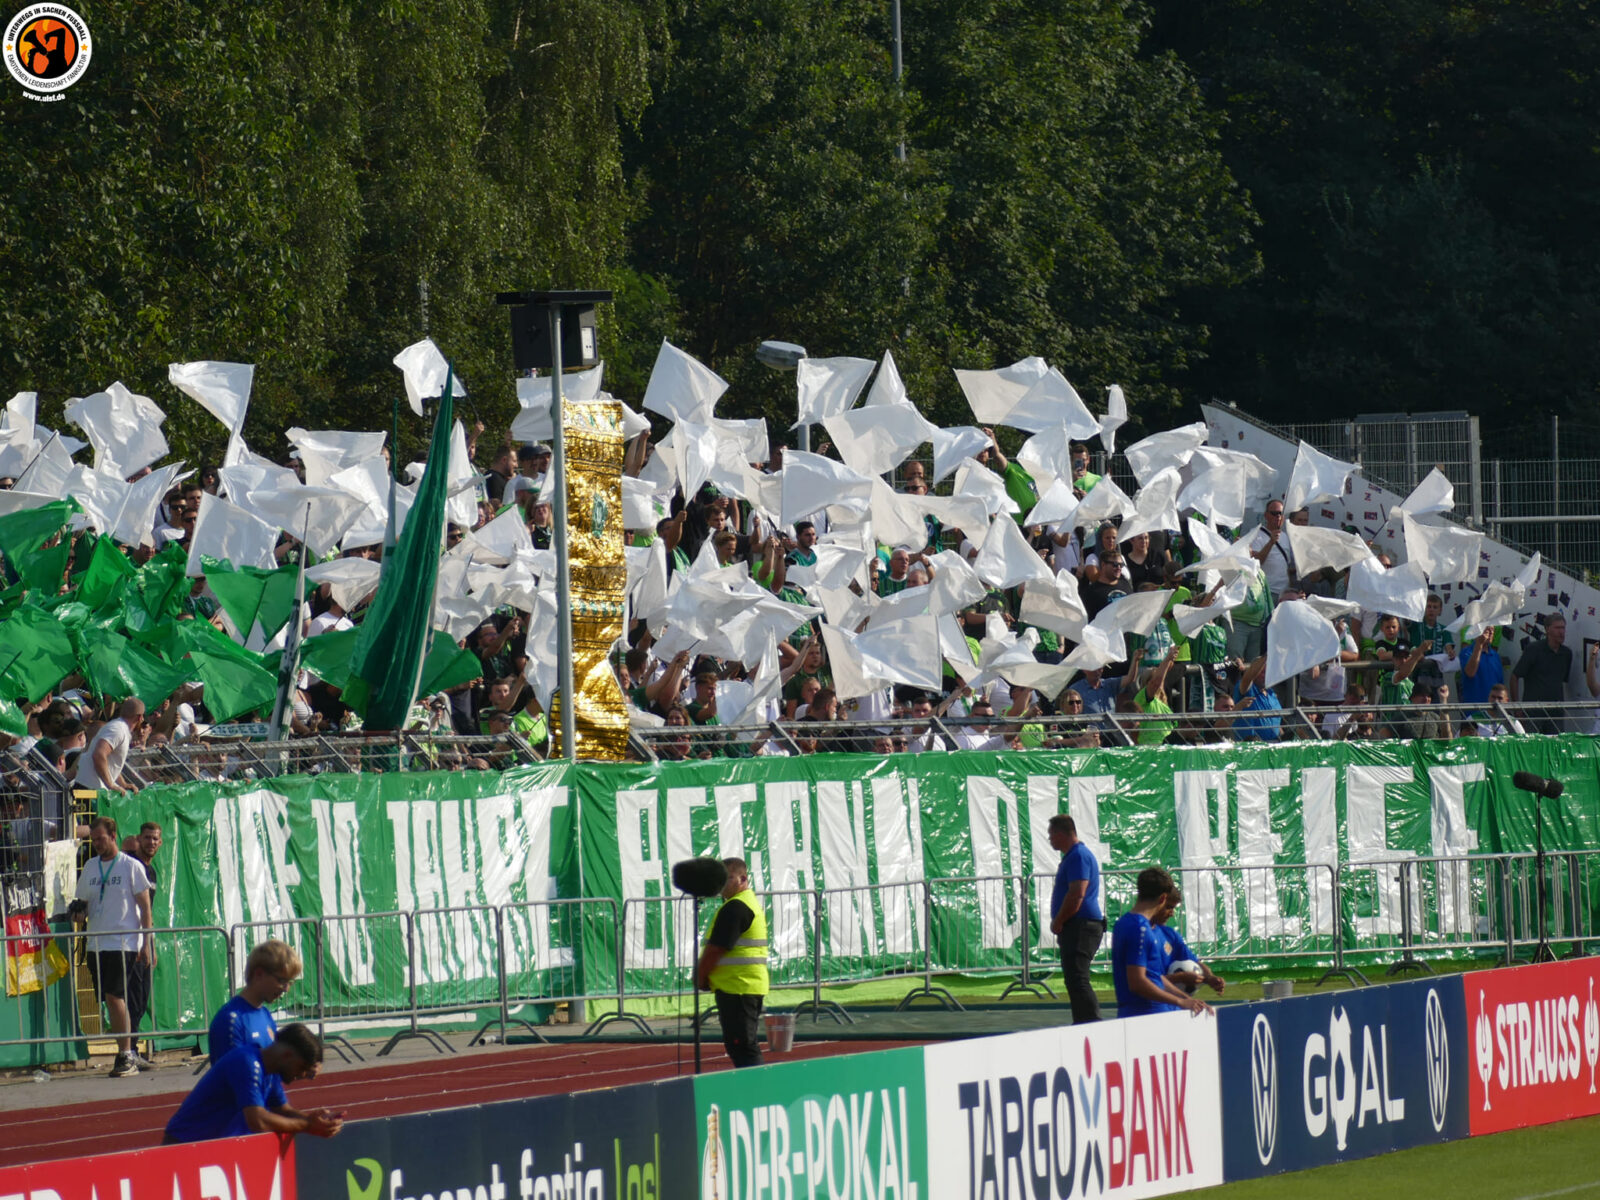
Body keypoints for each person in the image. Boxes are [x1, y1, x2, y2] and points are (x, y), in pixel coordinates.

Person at [163, 1023, 341, 1144]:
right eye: (302, 1067)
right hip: (185, 1143)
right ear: (287, 1055)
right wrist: (308, 1126)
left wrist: (313, 1119)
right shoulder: (246, 1063)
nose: (302, 1075)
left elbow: (283, 1110)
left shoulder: (270, 1071)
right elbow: (258, 1120)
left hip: (214, 1146)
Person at [71, 817, 153, 1077]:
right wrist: (77, 913)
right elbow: (82, 904)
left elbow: (145, 907)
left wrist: (146, 942)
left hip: (123, 941)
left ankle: (126, 1054)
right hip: (96, 943)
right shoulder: (91, 867)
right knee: (109, 997)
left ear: (113, 836)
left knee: (114, 996)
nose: (96, 844)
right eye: (93, 840)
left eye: (100, 839)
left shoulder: (131, 866)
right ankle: (128, 1050)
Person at [694, 857, 769, 1068]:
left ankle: (757, 1093)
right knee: (742, 1046)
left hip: (738, 987)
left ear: (742, 879)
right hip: (741, 985)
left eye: (726, 879)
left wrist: (701, 976)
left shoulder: (736, 907)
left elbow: (716, 949)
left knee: (743, 1047)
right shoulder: (745, 903)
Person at [1110, 866, 1210, 1019]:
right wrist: (1179, 1001)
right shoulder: (1140, 928)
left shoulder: (1123, 923)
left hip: (1135, 1013)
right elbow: (1137, 982)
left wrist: (1188, 1000)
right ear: (1163, 898)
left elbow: (1154, 976)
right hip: (1148, 1014)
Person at [1047, 815, 1104, 1023]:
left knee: (1078, 978)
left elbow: (1077, 894)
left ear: (1061, 834)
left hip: (1081, 925)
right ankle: (1084, 1021)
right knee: (1074, 978)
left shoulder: (1078, 855)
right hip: (1079, 924)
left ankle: (1090, 1023)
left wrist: (1059, 920)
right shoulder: (1074, 856)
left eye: (1051, 835)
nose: (1050, 839)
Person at [209, 940, 303, 1062]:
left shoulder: (264, 1014)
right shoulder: (231, 1020)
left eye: (290, 982)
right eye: (281, 981)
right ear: (259, 974)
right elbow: (233, 1076)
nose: (286, 989)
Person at [120, 821, 162, 1067]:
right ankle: (129, 1051)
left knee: (141, 998)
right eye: (147, 838)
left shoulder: (151, 872)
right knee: (132, 997)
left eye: (155, 839)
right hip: (129, 943)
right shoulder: (132, 867)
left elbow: (149, 911)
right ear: (139, 840)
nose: (152, 843)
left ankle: (133, 1049)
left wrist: (150, 943)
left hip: (144, 942)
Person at [1151, 887, 1224, 995]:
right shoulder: (1140, 935)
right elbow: (1144, 981)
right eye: (1169, 907)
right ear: (1158, 902)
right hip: (1147, 1007)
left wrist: (1209, 978)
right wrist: (1179, 978)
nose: (1172, 913)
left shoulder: (1170, 934)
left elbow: (1195, 961)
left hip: (1171, 1006)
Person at [1514, 614, 1573, 734]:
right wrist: (1516, 707)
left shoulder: (1566, 653)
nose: (1561, 632)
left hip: (1555, 713)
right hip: (1533, 712)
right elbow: (1515, 676)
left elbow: (1562, 681)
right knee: (1532, 748)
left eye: (1563, 628)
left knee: (1556, 748)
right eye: (1557, 628)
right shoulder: (1533, 649)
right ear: (1547, 629)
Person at [74, 699, 144, 793]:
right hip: (88, 789)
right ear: (140, 717)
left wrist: (123, 784)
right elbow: (99, 755)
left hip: (92, 788)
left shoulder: (121, 729)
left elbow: (110, 763)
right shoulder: (117, 729)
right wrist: (110, 785)